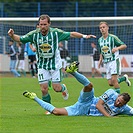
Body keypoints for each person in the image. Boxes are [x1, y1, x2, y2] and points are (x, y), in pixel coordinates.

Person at [8, 14, 96, 106]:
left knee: (56, 88)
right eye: (41, 24)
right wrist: (12, 35)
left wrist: (85, 36)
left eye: (45, 24)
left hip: (55, 64)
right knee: (44, 89)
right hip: (42, 65)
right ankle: (48, 108)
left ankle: (63, 88)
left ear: (49, 24)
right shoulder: (34, 35)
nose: (42, 26)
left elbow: (71, 34)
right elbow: (20, 39)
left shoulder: (55, 33)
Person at [23, 61, 133, 117]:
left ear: (124, 104)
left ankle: (34, 97)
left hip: (81, 110)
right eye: (119, 100)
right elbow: (99, 105)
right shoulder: (111, 93)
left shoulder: (124, 109)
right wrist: (109, 117)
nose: (118, 103)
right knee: (89, 86)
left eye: (121, 103)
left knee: (56, 112)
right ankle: (73, 72)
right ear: (118, 96)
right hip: (89, 100)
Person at [98, 21, 131, 94]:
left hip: (114, 61)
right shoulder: (100, 40)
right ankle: (124, 78)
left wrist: (117, 48)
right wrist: (100, 60)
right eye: (100, 28)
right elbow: (101, 51)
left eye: (103, 27)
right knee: (110, 83)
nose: (102, 29)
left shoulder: (113, 38)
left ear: (107, 28)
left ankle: (118, 99)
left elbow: (124, 45)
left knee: (114, 80)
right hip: (106, 62)